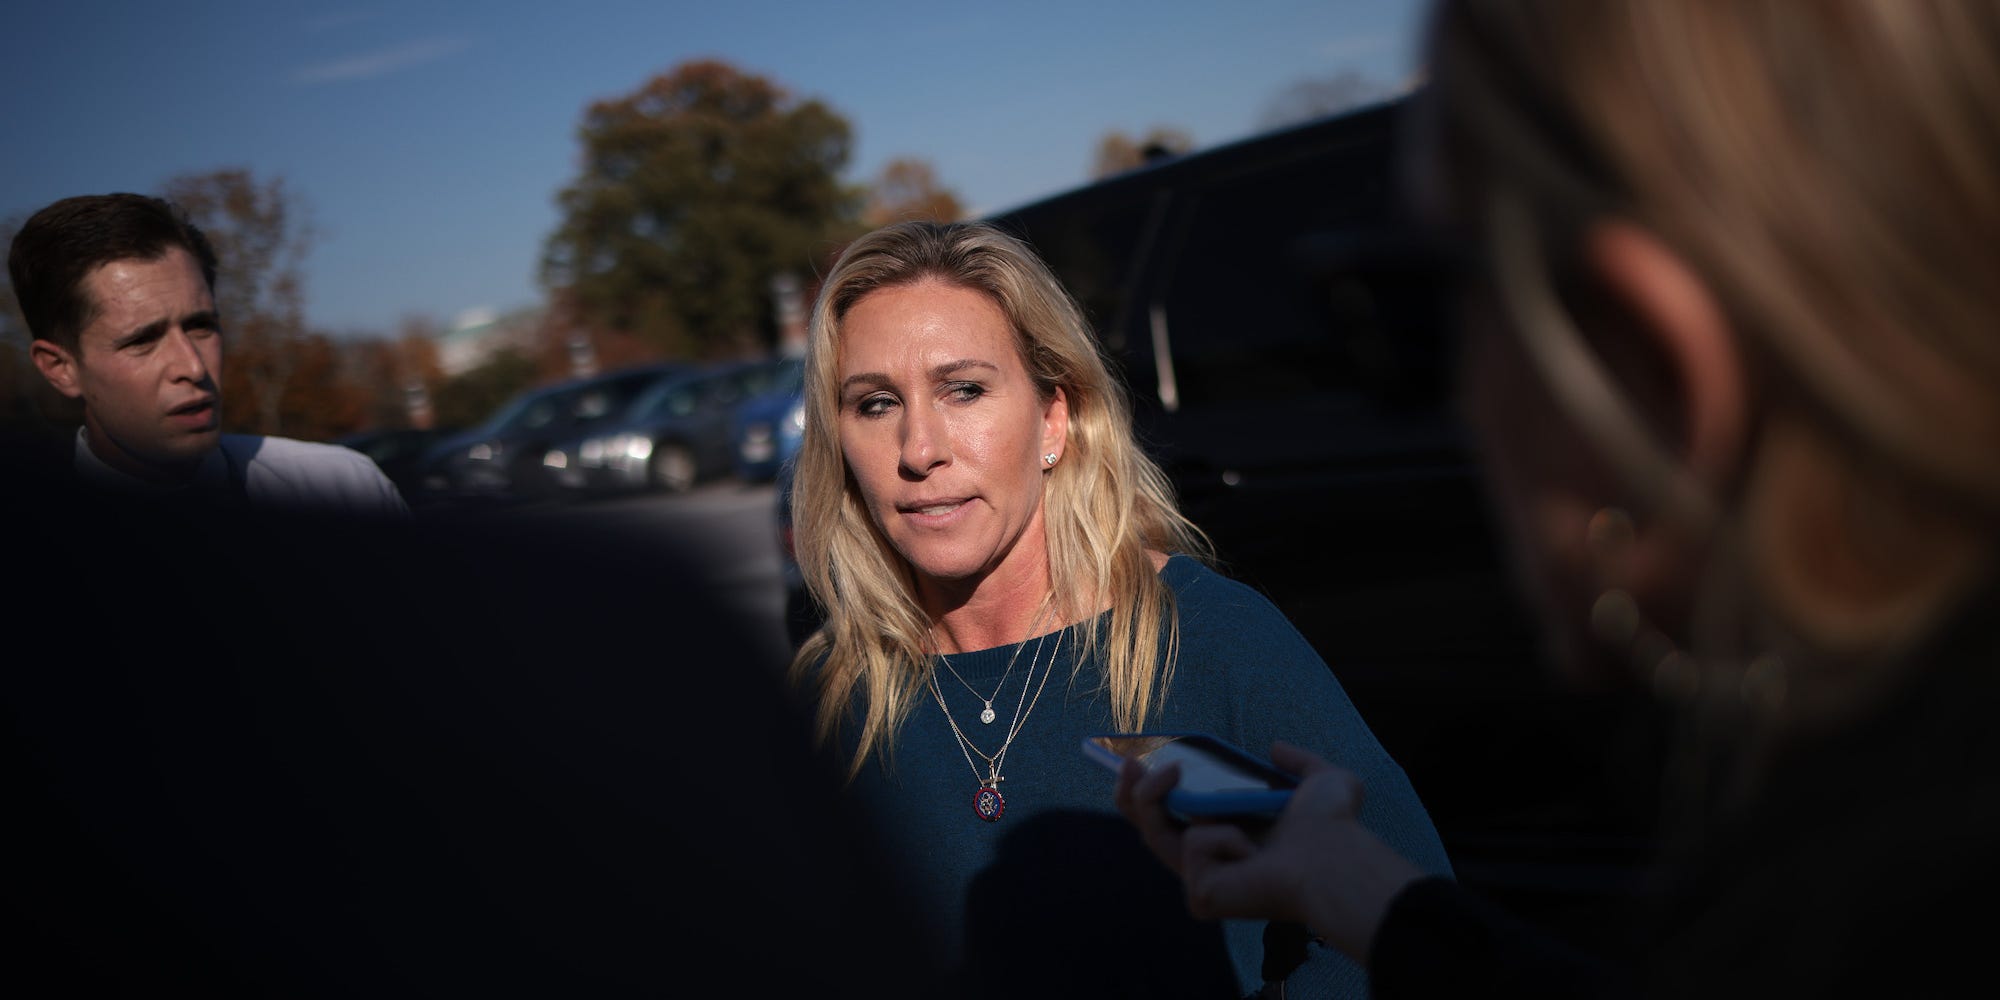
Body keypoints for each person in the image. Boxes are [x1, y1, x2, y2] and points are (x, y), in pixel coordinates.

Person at [1117, 1, 2000, 996]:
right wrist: (1363, 890)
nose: (1444, 401)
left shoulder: (1842, 911)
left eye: (1414, 315)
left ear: (1654, 375)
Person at [788, 219, 1452, 997]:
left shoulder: (1204, 642)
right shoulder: (831, 693)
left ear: (1053, 419)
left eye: (963, 390)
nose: (919, 448)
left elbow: (1400, 921)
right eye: (874, 403)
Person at [9, 192, 408, 517]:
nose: (193, 367)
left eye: (201, 326)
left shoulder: (343, 490)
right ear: (60, 368)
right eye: (142, 340)